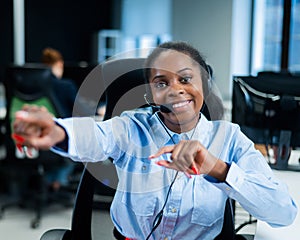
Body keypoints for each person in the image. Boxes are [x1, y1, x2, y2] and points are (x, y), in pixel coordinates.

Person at [12, 41, 297, 239]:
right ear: (150, 95)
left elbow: (283, 213)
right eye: (162, 83)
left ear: (204, 85)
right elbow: (97, 136)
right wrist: (59, 132)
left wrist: (216, 168)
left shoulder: (230, 139)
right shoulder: (131, 127)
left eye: (185, 79)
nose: (175, 90)